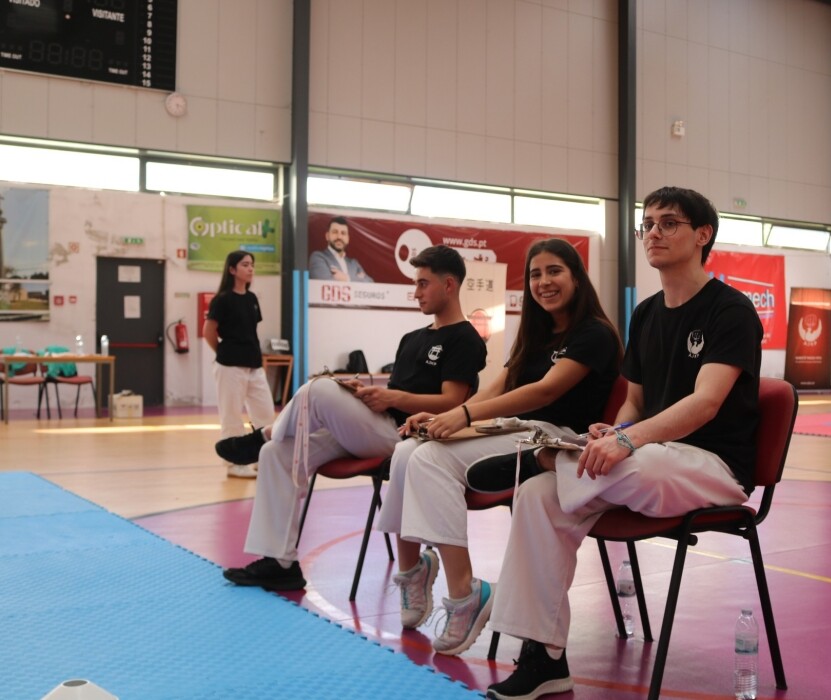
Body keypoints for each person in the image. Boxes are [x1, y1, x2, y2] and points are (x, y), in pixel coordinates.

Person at [477, 186, 763, 700]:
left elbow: (705, 403)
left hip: (712, 466)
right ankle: (544, 657)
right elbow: (634, 401)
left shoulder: (731, 310)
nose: (653, 233)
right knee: (536, 498)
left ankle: (547, 458)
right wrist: (616, 432)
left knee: (639, 463)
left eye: (668, 223)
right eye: (647, 224)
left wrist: (629, 440)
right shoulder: (647, 312)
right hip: (646, 459)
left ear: (703, 235)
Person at [375, 238, 621, 657]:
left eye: (555, 271)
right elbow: (499, 386)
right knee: (409, 450)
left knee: (430, 459)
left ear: (577, 277)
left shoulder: (594, 333)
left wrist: (465, 415)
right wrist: (448, 417)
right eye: (535, 274)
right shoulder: (535, 333)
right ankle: (415, 570)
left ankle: (464, 594)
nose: (544, 282)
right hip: (518, 429)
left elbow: (544, 391)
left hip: (556, 438)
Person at [219, 245, 486, 590]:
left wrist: (391, 397)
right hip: (379, 425)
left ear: (449, 285)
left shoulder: (465, 338)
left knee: (318, 389)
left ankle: (264, 433)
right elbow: (396, 393)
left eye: (423, 284)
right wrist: (368, 394)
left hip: (409, 439)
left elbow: (452, 403)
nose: (416, 293)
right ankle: (280, 562)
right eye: (416, 284)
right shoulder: (412, 338)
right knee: (277, 453)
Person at [203, 251, 275, 479]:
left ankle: (263, 458)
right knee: (231, 416)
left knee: (265, 414)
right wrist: (224, 353)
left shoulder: (252, 299)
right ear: (232, 269)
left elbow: (250, 331)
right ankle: (234, 463)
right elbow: (208, 332)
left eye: (252, 264)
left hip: (254, 366)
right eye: (245, 265)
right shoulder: (222, 300)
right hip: (229, 367)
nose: (250, 268)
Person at [308, 215, 373, 282]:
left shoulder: (354, 263)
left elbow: (370, 283)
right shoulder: (318, 257)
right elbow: (324, 282)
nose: (339, 237)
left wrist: (347, 278)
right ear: (327, 236)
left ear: (348, 239)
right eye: (335, 232)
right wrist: (358, 279)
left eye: (343, 233)